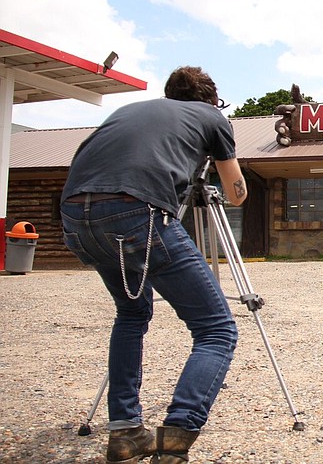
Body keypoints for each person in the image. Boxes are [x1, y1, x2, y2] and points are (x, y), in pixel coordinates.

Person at [60, 66, 247, 464]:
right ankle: (177, 437)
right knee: (217, 330)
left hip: (77, 219)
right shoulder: (212, 117)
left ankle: (125, 432)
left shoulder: (129, 111)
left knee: (131, 315)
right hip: (138, 213)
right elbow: (236, 195)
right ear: (211, 99)